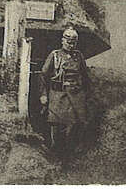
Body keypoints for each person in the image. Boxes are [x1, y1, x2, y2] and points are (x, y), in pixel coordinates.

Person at [39, 27, 92, 158]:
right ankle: (55, 152)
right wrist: (43, 94)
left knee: (76, 124)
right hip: (58, 94)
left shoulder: (78, 56)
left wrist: (87, 96)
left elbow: (85, 77)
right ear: (62, 41)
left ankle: (70, 154)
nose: (70, 45)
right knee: (56, 125)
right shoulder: (55, 55)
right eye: (68, 42)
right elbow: (43, 75)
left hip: (75, 95)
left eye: (73, 42)